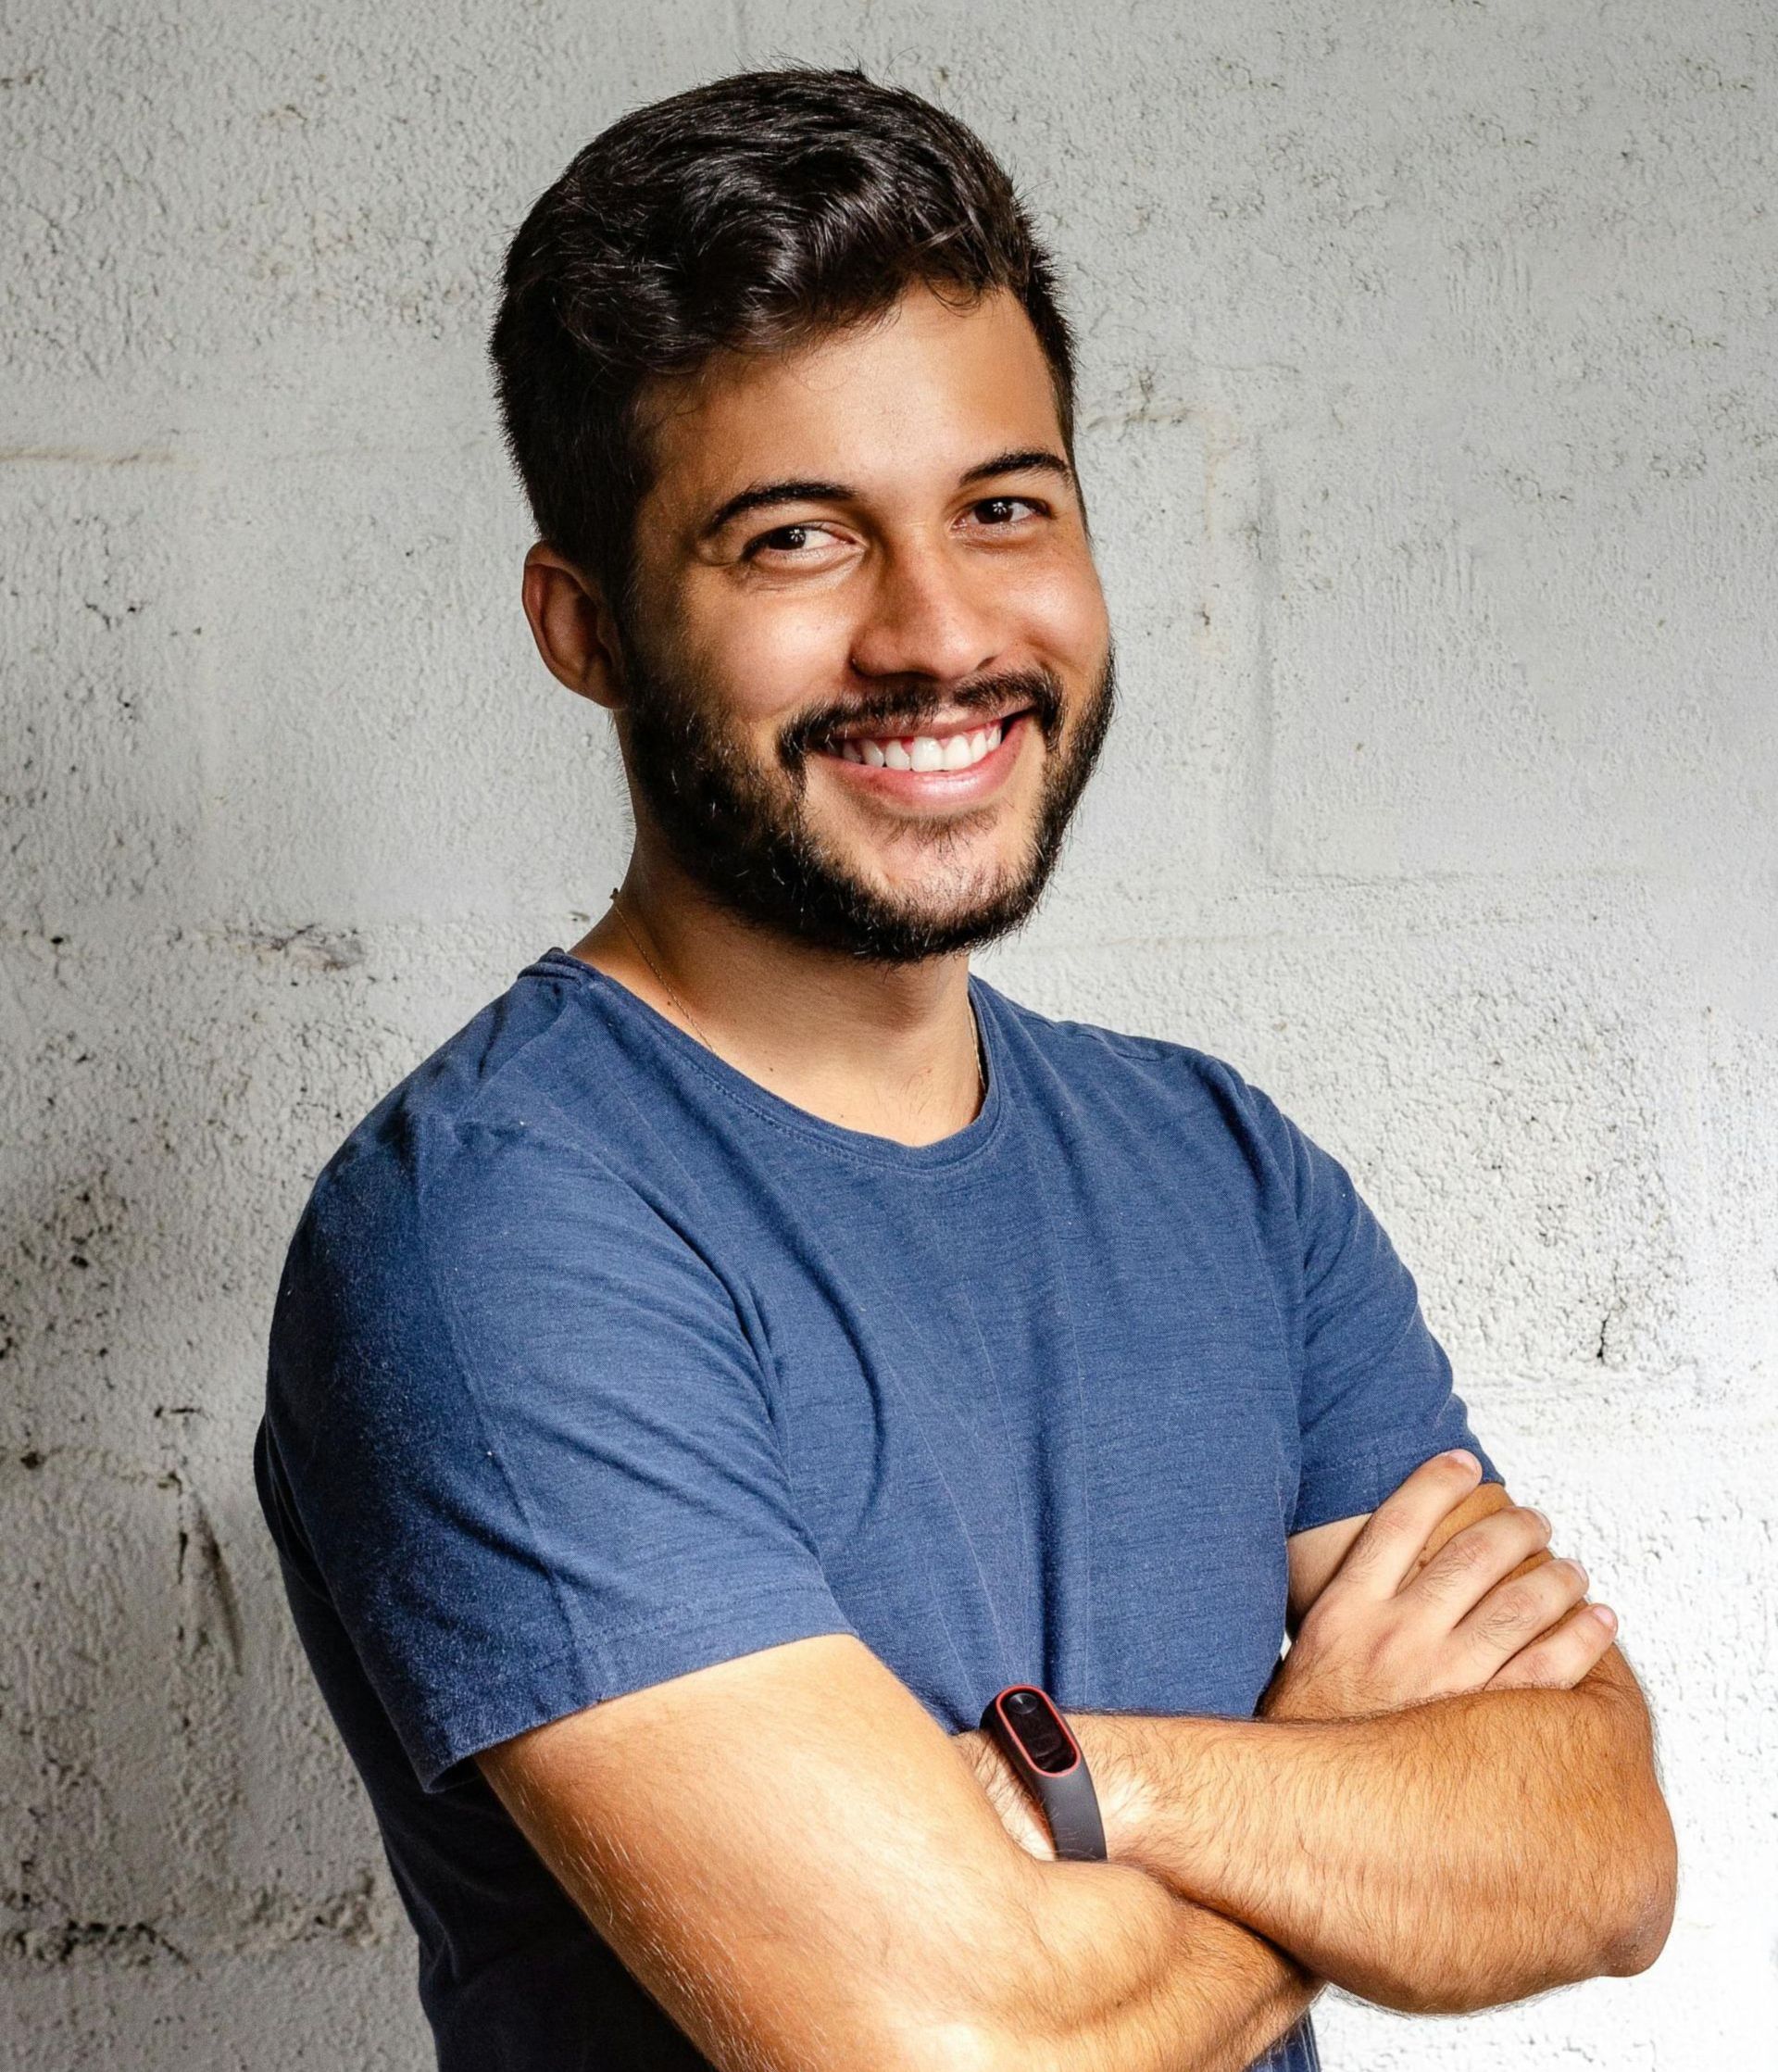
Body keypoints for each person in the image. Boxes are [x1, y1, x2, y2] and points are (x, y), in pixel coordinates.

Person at [253, 66, 1676, 2072]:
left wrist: (1098, 1792)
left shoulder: (1226, 1172)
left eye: (1003, 508)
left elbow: (1597, 1849)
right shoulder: (492, 1234)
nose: (938, 634)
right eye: (797, 540)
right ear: (585, 629)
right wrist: (1339, 1785)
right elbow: (941, 2050)